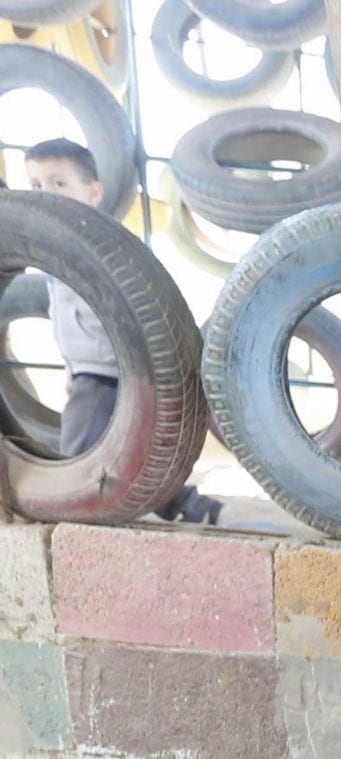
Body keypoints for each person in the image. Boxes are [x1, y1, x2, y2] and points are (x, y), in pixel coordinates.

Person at [23, 138, 222, 525]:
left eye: (58, 184)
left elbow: (139, 312)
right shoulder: (52, 253)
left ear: (93, 192)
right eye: (35, 186)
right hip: (92, 370)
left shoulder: (104, 250)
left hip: (111, 372)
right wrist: (71, 371)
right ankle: (192, 506)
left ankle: (72, 519)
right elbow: (68, 322)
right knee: (140, 455)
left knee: (80, 452)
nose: (45, 195)